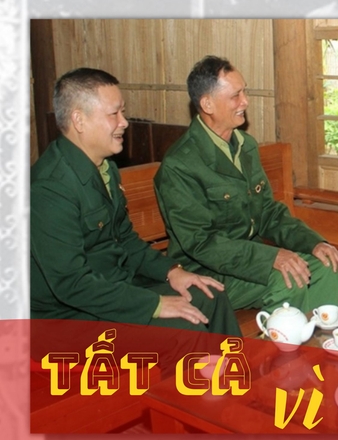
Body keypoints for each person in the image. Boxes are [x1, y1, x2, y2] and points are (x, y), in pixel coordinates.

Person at [30, 67, 240, 337]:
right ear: (79, 120)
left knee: (210, 296)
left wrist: (171, 271)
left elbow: (125, 240)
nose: (124, 122)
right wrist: (154, 304)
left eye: (123, 112)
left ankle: (233, 365)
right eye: (114, 114)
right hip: (67, 317)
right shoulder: (50, 188)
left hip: (115, 286)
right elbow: (72, 285)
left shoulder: (104, 168)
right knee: (186, 326)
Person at [154, 56, 338, 313]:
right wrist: (270, 258)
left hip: (249, 260)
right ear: (207, 104)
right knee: (289, 281)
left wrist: (313, 243)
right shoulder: (181, 165)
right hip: (206, 272)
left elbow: (268, 213)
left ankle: (317, 334)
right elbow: (202, 243)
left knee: (329, 263)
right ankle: (288, 338)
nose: (245, 101)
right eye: (236, 96)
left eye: (245, 92)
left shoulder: (246, 146)